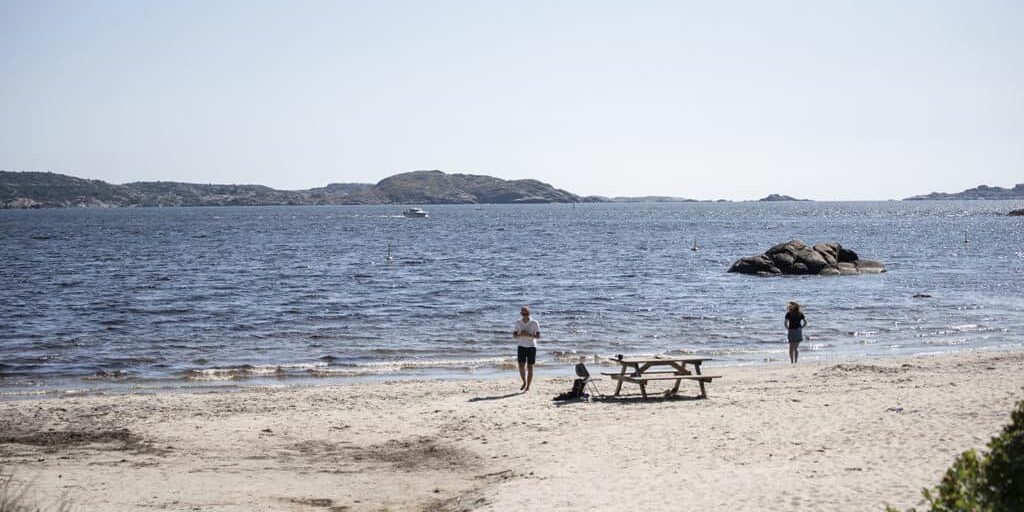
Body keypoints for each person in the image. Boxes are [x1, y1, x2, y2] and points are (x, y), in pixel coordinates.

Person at [513, 305, 541, 391]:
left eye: (527, 313)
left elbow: (539, 336)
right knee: (521, 366)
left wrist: (529, 334)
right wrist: (520, 334)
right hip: (521, 346)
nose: (525, 315)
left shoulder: (534, 322)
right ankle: (524, 382)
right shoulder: (518, 322)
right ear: (521, 313)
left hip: (532, 347)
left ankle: (528, 386)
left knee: (530, 367)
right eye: (523, 313)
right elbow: (514, 335)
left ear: (529, 313)